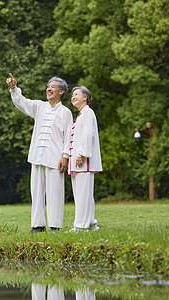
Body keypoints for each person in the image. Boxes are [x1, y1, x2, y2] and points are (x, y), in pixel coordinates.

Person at [6, 73, 73, 233]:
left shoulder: (66, 112)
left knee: (55, 193)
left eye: (53, 87)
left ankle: (55, 226)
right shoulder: (40, 106)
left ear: (61, 91)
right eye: (48, 86)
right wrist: (14, 89)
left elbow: (69, 136)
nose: (49, 89)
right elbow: (22, 103)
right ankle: (37, 225)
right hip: (37, 156)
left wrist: (65, 156)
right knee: (36, 192)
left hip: (55, 158)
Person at [68, 86, 102, 231]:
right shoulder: (82, 114)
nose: (73, 97)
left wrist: (81, 154)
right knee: (84, 194)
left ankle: (81, 225)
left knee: (83, 194)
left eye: (77, 94)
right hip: (78, 161)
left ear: (85, 97)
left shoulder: (88, 112)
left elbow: (88, 135)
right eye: (72, 95)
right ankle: (90, 223)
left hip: (82, 161)